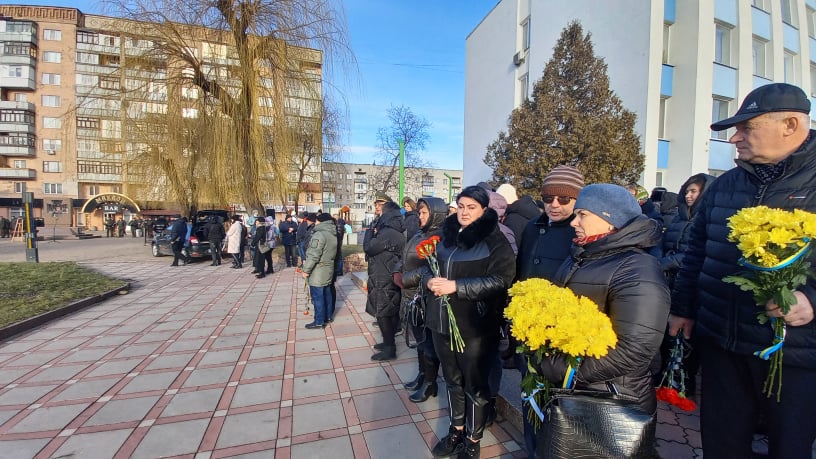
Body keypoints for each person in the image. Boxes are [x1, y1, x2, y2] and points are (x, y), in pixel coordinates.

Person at [669, 82, 816, 458]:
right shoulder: (724, 186)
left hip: (795, 353)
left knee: (790, 448)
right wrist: (683, 308)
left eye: (748, 128)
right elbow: (696, 251)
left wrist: (812, 299)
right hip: (723, 343)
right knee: (722, 445)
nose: (735, 138)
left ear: (790, 125)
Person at [534, 183, 669, 457]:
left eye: (583, 214)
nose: (574, 222)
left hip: (615, 396)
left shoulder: (637, 268)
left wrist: (564, 370)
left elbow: (635, 350)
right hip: (580, 390)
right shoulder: (584, 255)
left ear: (610, 219)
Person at [425, 186, 516, 459]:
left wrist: (457, 286)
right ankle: (456, 429)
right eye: (461, 205)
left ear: (484, 210)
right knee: (452, 380)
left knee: (475, 385)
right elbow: (427, 267)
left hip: (475, 326)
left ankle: (473, 438)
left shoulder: (494, 239)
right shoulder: (445, 234)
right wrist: (427, 280)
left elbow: (502, 280)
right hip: (441, 321)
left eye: (471, 207)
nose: (464, 212)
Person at [514, 164, 584, 456]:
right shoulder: (533, 226)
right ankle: (533, 450)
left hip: (563, 333)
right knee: (529, 393)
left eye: (564, 200)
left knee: (558, 403)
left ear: (578, 200)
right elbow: (521, 273)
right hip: (527, 329)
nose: (554, 205)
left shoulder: (581, 230)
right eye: (548, 198)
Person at [654, 172, 716, 395]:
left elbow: (695, 253)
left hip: (691, 284)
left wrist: (665, 263)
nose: (689, 196)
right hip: (669, 282)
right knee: (666, 332)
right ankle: (664, 373)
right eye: (687, 191)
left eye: (694, 191)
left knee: (687, 335)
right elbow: (664, 243)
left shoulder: (706, 219)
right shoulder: (678, 219)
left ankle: (684, 379)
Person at [396, 197, 448, 403]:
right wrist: (396, 271)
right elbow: (404, 256)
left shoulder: (441, 237)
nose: (420, 216)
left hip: (425, 297)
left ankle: (430, 382)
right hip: (410, 294)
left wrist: (406, 279)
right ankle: (421, 375)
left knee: (428, 344)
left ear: (436, 214)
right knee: (419, 341)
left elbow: (433, 268)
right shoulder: (419, 233)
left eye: (424, 213)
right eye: (419, 212)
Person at [364, 199, 406, 360]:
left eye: (380, 211)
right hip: (385, 272)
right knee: (389, 310)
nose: (377, 214)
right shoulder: (392, 229)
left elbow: (369, 247)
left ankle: (390, 348)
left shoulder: (388, 232)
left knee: (383, 312)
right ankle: (388, 342)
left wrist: (369, 231)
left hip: (384, 275)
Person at [302, 213, 339, 329]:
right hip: (328, 268)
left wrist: (306, 270)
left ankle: (319, 321)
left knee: (318, 296)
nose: (315, 223)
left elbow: (314, 254)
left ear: (320, 222)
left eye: (316, 221)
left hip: (318, 270)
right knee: (327, 293)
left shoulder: (319, 234)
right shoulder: (332, 233)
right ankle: (328, 316)